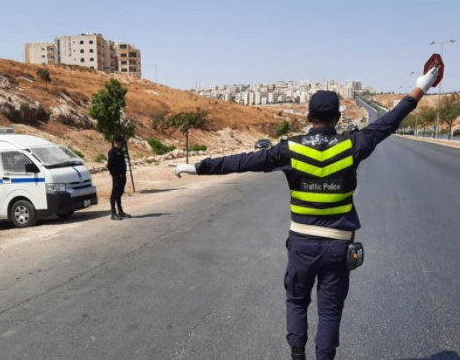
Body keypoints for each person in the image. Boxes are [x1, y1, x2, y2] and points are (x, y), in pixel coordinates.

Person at [174, 68, 439, 360]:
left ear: (308, 117)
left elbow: (244, 161)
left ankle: (297, 357)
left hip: (302, 245)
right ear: (338, 117)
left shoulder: (291, 148)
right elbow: (389, 121)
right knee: (330, 311)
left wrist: (199, 167)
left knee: (297, 302)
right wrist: (420, 89)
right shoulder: (354, 144)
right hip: (339, 246)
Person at [107, 135, 132, 220]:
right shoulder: (112, 152)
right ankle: (113, 213)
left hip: (122, 176)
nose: (123, 143)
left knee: (119, 193)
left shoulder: (121, 151)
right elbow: (109, 165)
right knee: (114, 194)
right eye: (121, 142)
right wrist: (115, 174)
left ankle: (120, 211)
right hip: (117, 177)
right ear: (118, 142)